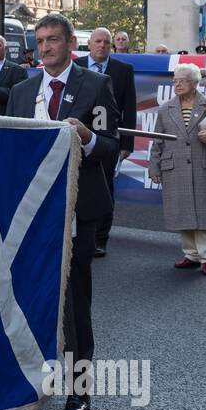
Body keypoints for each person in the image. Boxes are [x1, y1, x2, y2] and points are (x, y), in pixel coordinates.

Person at [3, 13, 119, 410]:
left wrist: (87, 137)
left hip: (75, 209)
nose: (46, 46)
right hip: (30, 212)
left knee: (73, 298)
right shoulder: (21, 91)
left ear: (71, 44)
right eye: (40, 40)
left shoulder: (96, 84)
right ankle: (32, 373)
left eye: (53, 39)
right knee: (29, 292)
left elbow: (111, 145)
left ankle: (80, 386)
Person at [148, 63, 206, 275]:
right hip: (174, 167)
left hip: (203, 166)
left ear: (195, 83)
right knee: (182, 211)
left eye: (181, 80)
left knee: (205, 211)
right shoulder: (166, 108)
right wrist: (154, 167)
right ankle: (191, 255)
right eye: (175, 80)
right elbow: (158, 140)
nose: (177, 84)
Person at [74, 27, 136, 257]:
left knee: (103, 187)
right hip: (75, 137)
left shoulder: (123, 70)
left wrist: (126, 144)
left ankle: (100, 239)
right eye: (98, 41)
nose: (102, 46)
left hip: (106, 139)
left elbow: (129, 107)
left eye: (106, 42)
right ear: (89, 44)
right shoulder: (74, 66)